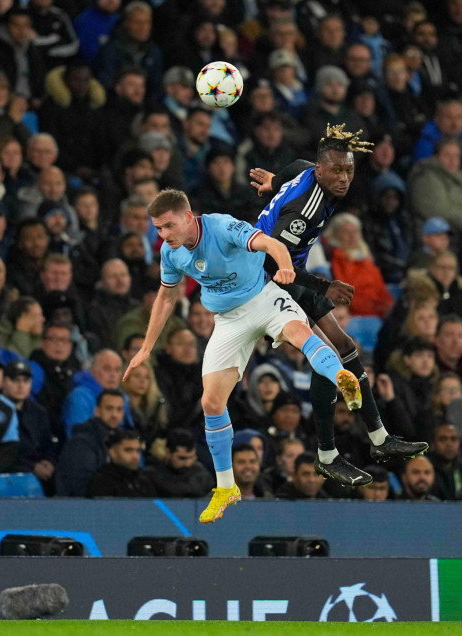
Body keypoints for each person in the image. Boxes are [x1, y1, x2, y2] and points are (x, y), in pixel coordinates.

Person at [122, 189, 367, 524]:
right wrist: (147, 347)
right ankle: (226, 488)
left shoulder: (221, 227)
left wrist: (284, 269)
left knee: (300, 332)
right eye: (158, 229)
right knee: (211, 403)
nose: (163, 235)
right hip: (228, 321)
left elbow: (272, 244)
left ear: (187, 215)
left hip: (263, 297)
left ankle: (340, 377)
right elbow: (165, 298)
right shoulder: (171, 253)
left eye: (167, 226)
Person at [248, 124, 428, 485]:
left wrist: (273, 185)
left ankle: (379, 439)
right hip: (264, 280)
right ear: (320, 170)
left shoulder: (307, 172)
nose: (344, 178)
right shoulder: (305, 211)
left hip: (292, 271)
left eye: (349, 170)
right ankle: (327, 455)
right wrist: (324, 285)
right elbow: (269, 262)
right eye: (336, 171)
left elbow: (295, 165)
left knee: (346, 346)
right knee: (326, 359)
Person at [56, 388, 125, 497]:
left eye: (119, 409)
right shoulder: (82, 442)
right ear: (97, 411)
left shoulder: (121, 440)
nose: (114, 415)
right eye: (109, 409)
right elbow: (81, 485)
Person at [2, 360, 55, 487]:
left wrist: (49, 461)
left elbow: (48, 444)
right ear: (3, 382)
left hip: (39, 473)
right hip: (9, 474)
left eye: (26, 381)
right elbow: (1, 452)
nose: (21, 386)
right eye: (15, 380)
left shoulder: (38, 412)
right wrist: (32, 467)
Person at [142, 429, 213, 498]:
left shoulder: (200, 473)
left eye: (191, 457)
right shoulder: (151, 474)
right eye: (182, 458)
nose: (187, 464)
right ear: (168, 452)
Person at [85, 429, 154, 498]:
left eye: (138, 451)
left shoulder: (144, 481)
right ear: (113, 453)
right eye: (129, 450)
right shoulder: (101, 483)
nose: (135, 456)